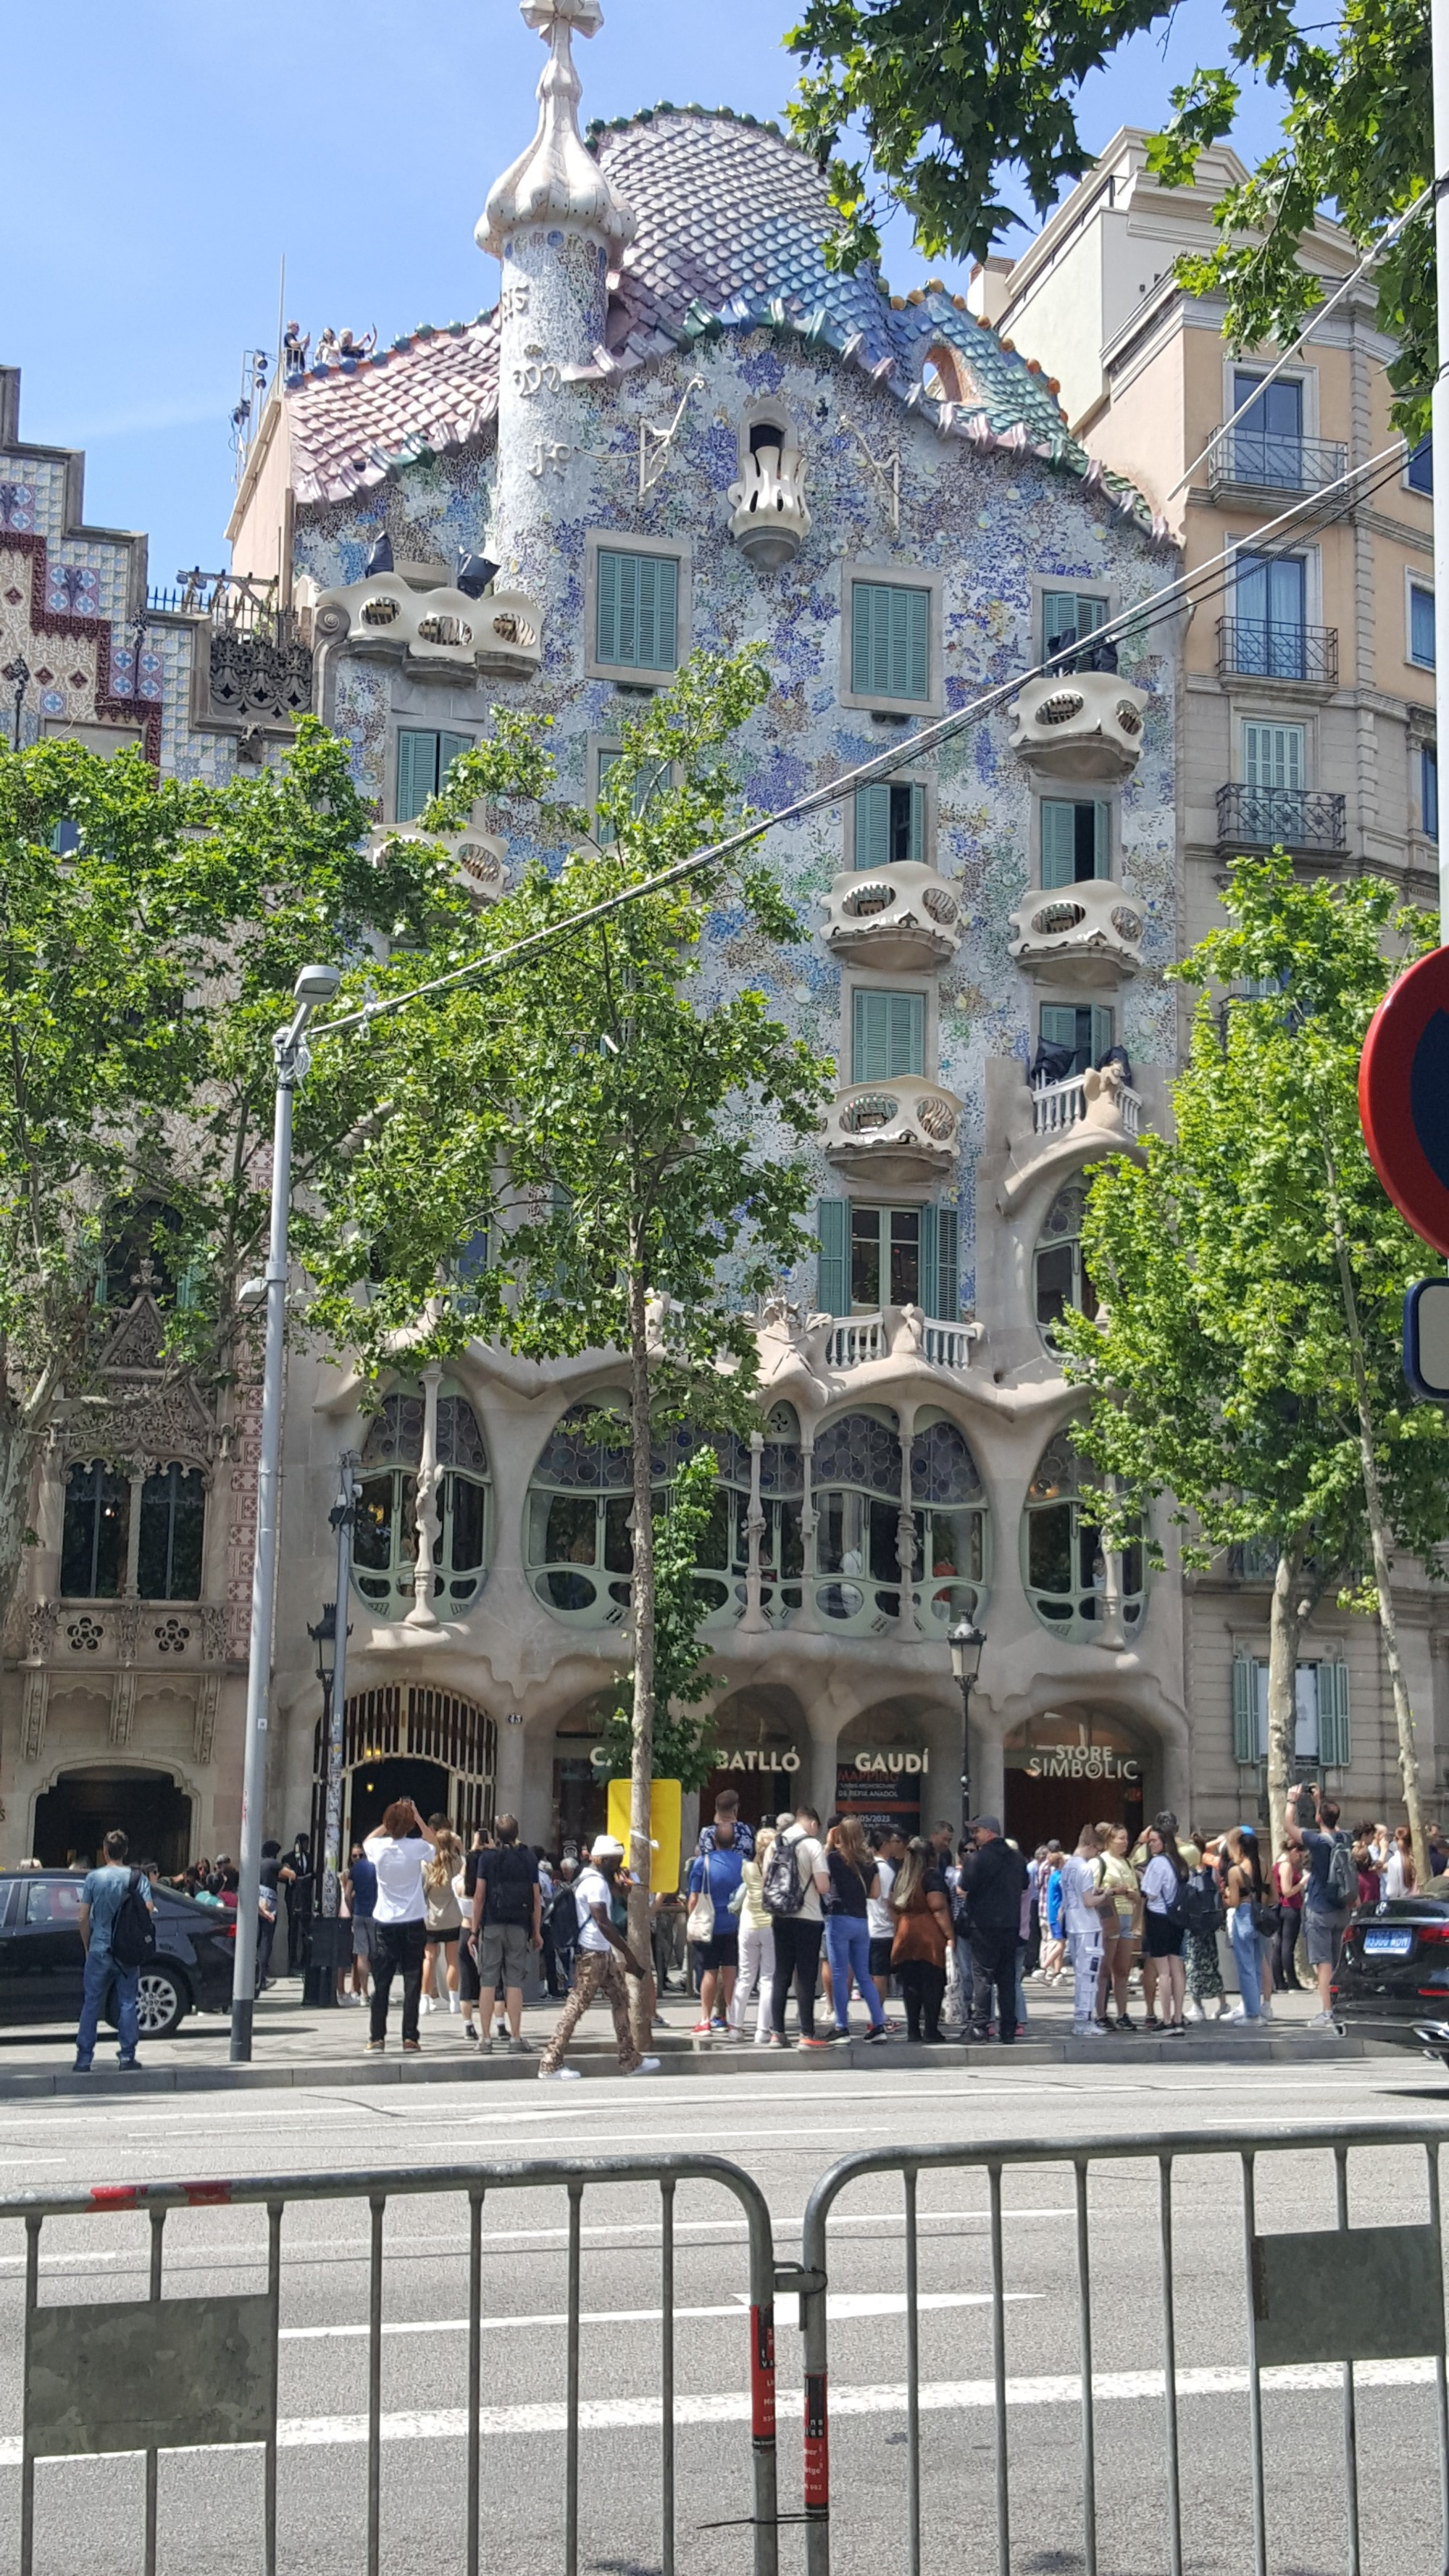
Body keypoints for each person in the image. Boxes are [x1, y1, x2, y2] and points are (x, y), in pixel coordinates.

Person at [538, 1835, 660, 2079]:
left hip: (600, 1953)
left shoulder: (590, 1877)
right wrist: (628, 1953)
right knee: (576, 2007)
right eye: (615, 1861)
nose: (618, 1865)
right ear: (603, 1860)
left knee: (621, 1999)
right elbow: (603, 1921)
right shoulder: (595, 1883)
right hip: (593, 1955)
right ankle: (550, 2062)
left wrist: (623, 1889)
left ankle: (630, 2059)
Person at [74, 1828, 154, 2073]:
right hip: (126, 1950)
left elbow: (82, 1917)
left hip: (99, 1947)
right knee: (128, 2002)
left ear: (105, 1851)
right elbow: (149, 1909)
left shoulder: (93, 1879)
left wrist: (88, 1946)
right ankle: (127, 2056)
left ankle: (84, 2058)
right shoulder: (136, 1878)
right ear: (126, 1851)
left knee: (91, 2003)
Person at [364, 1800, 435, 2054]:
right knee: (412, 1981)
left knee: (381, 1983)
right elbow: (435, 1845)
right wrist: (417, 1817)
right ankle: (410, 2036)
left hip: (385, 1921)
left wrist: (386, 1825)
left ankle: (377, 2037)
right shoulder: (416, 1847)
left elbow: (367, 1840)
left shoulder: (378, 1848)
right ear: (409, 1825)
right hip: (413, 1919)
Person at [467, 1815, 540, 2053]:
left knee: (487, 1981)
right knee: (514, 1982)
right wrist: (536, 1931)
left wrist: (474, 1930)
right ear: (517, 1832)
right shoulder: (528, 1857)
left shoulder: (487, 1858)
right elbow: (536, 1898)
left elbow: (479, 1896)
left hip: (491, 1925)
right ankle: (516, 2038)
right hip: (519, 1925)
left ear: (496, 1835)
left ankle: (486, 2039)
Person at [1286, 1783, 1354, 2027]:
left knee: (1323, 1965)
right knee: (1336, 1964)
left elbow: (1289, 1827)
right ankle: (1338, 2008)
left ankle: (1327, 2013)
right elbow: (1327, 1821)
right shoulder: (1345, 1838)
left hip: (1319, 1908)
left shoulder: (1317, 1842)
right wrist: (1320, 1802)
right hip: (1341, 1908)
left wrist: (1292, 1801)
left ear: (1319, 1818)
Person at [958, 1817, 1028, 2046]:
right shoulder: (1017, 1858)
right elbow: (1025, 1884)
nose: (975, 1836)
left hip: (984, 1925)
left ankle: (980, 2026)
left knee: (983, 1977)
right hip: (1010, 1924)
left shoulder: (978, 1858)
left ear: (989, 1832)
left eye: (977, 1831)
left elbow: (964, 1887)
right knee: (1007, 1979)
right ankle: (1008, 2028)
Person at [765, 1805, 830, 2050]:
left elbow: (766, 1881)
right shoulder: (812, 1845)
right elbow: (823, 1886)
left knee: (781, 1973)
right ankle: (806, 2033)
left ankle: (776, 2033)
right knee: (805, 1976)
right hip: (808, 1917)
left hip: (780, 1915)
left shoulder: (775, 1844)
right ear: (813, 1824)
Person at [822, 1817, 888, 2044]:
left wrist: (829, 1842)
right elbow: (875, 1894)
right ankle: (879, 2024)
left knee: (839, 1975)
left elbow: (820, 1875)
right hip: (862, 1921)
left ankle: (841, 2026)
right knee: (864, 1976)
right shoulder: (870, 1860)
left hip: (839, 1917)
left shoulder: (833, 1858)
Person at [889, 1837, 953, 2041]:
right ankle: (931, 2030)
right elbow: (939, 1908)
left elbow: (891, 1904)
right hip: (929, 1933)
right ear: (930, 1856)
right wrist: (950, 1936)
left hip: (905, 1931)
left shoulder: (901, 1875)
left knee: (910, 1983)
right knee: (933, 1982)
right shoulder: (931, 1876)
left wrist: (899, 1925)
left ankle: (913, 2030)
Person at [687, 1823, 745, 2034]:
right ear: (735, 1842)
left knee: (709, 1973)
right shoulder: (743, 1863)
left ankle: (705, 2020)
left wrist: (691, 1918)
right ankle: (733, 2020)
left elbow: (693, 1898)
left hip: (709, 1926)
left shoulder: (703, 1863)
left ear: (713, 1841)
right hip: (735, 1924)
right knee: (731, 1973)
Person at [1061, 1820, 1111, 2038]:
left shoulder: (1068, 1866)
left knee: (1081, 1974)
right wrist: (1106, 1895)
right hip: (1088, 1926)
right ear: (1091, 1846)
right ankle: (1084, 2019)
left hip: (1073, 1924)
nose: (1096, 1854)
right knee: (1090, 1975)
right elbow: (1089, 1901)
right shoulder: (1084, 1868)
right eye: (1097, 1850)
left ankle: (1081, 2018)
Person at [730, 1825, 777, 2044]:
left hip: (747, 1924)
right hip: (769, 1924)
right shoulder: (777, 1871)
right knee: (767, 1979)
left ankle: (736, 2027)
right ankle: (762, 2030)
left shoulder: (747, 1868)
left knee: (745, 1977)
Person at [1139, 1823, 1188, 2033]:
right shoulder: (1180, 1862)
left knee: (1164, 1972)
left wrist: (1142, 1880)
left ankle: (1167, 2019)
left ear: (1163, 1841)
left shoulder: (1158, 1863)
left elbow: (1150, 1893)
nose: (1151, 1845)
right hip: (1178, 1918)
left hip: (1158, 1916)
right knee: (1177, 1970)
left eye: (1154, 1841)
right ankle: (1178, 2016)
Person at [1093, 1823, 1140, 2030]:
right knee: (1104, 1969)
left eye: (1126, 1838)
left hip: (1128, 1915)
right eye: (1121, 1838)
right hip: (1109, 1916)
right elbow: (1092, 1891)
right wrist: (1112, 1890)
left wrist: (1131, 1893)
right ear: (1110, 1840)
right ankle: (1101, 2014)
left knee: (1123, 1970)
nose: (1125, 1842)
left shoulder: (1128, 1864)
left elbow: (1138, 1893)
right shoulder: (1100, 1862)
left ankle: (1122, 2013)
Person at [1222, 1825, 1268, 2023]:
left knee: (1246, 1968)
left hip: (1243, 1916)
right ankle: (1258, 2009)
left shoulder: (1235, 1871)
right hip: (1261, 1917)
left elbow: (1233, 1902)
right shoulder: (1264, 1865)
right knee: (1257, 1965)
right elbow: (1273, 1895)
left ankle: (1252, 2014)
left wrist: (1225, 1897)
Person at [1182, 1841, 1229, 2022]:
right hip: (1202, 1924)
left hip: (1200, 1925)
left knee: (1200, 1965)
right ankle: (1210, 2004)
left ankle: (1206, 2006)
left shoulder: (1200, 1872)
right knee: (1202, 1965)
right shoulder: (1205, 1871)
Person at [421, 1828, 464, 2015]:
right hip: (453, 1916)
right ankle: (454, 2000)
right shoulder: (458, 1862)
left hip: (431, 1917)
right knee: (452, 1959)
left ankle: (425, 1999)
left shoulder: (427, 1863)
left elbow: (422, 1890)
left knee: (429, 1958)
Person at [867, 1827, 903, 2001]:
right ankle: (878, 2014)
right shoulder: (886, 1870)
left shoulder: (868, 1866)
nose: (895, 1845)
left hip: (868, 1926)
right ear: (884, 1845)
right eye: (892, 1842)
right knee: (880, 1974)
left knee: (872, 1973)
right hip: (883, 1928)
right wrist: (897, 1926)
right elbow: (889, 1902)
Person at [345, 1839, 377, 2003]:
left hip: (359, 1914)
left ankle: (364, 1994)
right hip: (376, 1914)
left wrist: (352, 1909)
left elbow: (347, 1893)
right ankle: (378, 1991)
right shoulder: (377, 1867)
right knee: (377, 1954)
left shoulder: (355, 1869)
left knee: (361, 1955)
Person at [1273, 1839, 1306, 1991]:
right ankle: (1292, 1981)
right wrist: (1302, 1883)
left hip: (1281, 1907)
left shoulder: (1278, 1863)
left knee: (1279, 1943)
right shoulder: (1286, 1866)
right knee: (1287, 1945)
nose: (1299, 1858)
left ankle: (1280, 1981)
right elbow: (1287, 1891)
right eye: (1299, 1854)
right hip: (1290, 1906)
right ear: (1294, 1851)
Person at [283, 1833, 314, 1977]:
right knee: (293, 1930)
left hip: (306, 1898)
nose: (306, 1846)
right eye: (304, 1843)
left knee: (306, 1931)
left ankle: (305, 1961)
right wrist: (299, 1879)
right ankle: (292, 1961)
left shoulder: (309, 1858)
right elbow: (287, 1877)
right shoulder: (288, 1858)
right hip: (293, 1898)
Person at [697, 1789, 755, 1859]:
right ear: (735, 1809)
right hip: (742, 1870)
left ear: (716, 1809)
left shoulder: (706, 1833)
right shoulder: (747, 1831)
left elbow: (703, 1857)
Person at [1385, 1823, 1417, 1900]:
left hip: (1402, 1904)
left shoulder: (1394, 1861)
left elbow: (1392, 1892)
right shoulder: (1419, 1860)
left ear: (1395, 1840)